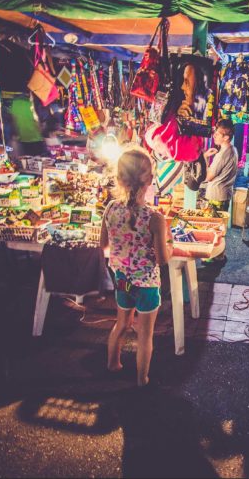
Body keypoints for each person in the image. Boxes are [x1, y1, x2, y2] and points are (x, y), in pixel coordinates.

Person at [100, 147, 173, 387]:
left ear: (119, 178)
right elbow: (163, 259)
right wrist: (169, 241)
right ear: (150, 180)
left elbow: (103, 245)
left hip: (122, 280)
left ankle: (112, 363)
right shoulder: (155, 218)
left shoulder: (110, 208)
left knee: (122, 323)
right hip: (147, 285)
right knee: (145, 334)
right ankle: (142, 379)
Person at [203, 119, 239, 212]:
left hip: (216, 197)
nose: (214, 135)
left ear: (226, 137)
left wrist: (205, 158)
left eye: (217, 134)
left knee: (214, 225)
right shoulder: (232, 149)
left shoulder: (222, 155)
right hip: (223, 195)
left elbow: (208, 177)